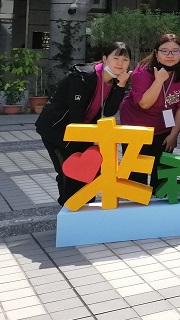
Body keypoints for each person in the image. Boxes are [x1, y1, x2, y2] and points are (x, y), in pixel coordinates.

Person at [35, 42, 131, 206]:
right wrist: (91, 139)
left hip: (83, 131)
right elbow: (76, 112)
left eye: (125, 59)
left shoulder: (115, 80)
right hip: (57, 131)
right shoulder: (84, 76)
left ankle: (85, 207)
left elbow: (108, 111)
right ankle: (68, 209)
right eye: (116, 58)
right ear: (104, 59)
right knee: (68, 171)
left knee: (90, 171)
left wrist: (121, 86)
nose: (120, 64)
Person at [119, 34, 180, 187]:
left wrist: (174, 134)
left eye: (175, 51)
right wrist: (159, 80)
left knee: (162, 176)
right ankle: (139, 208)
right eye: (164, 51)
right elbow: (145, 103)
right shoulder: (143, 71)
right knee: (137, 179)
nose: (170, 55)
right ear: (156, 53)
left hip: (163, 128)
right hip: (136, 129)